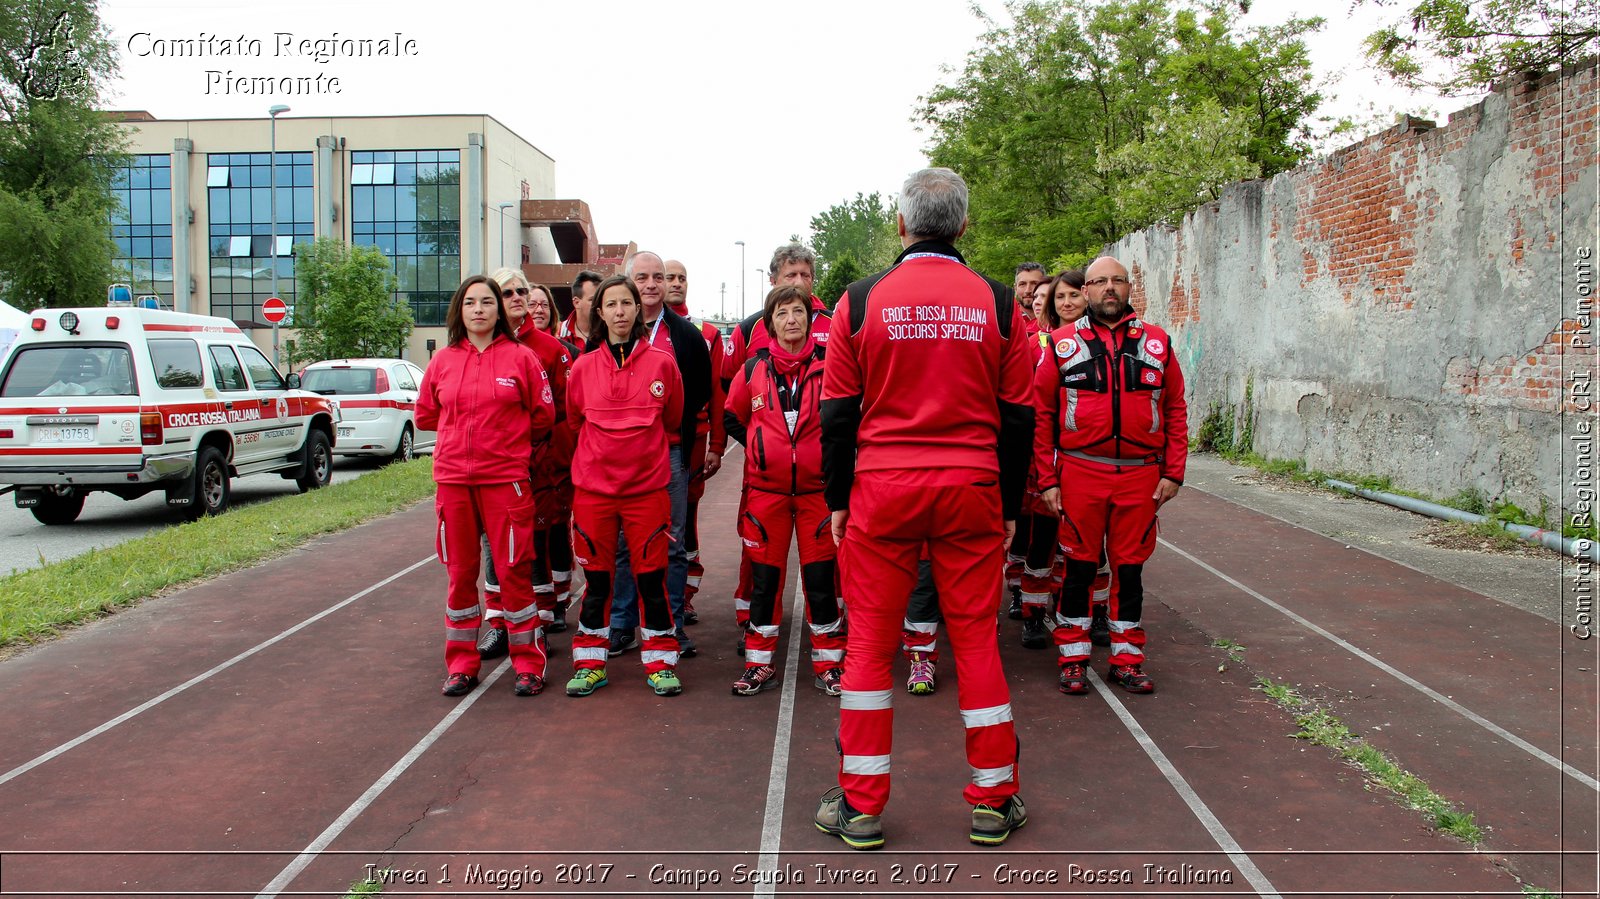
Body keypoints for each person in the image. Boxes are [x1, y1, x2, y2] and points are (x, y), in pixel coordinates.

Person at [816, 167, 1033, 850]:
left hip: (881, 490)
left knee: (870, 648)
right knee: (974, 639)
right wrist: (1008, 506)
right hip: (971, 488)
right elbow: (1020, 416)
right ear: (963, 226)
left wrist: (838, 500)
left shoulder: (857, 301)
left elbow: (838, 415)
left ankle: (861, 804)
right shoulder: (1001, 305)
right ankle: (993, 799)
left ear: (902, 225)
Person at [1034, 256, 1188, 695]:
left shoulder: (1158, 343)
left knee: (1130, 571)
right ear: (1086, 292)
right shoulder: (1061, 344)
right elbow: (1041, 416)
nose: (1108, 289)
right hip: (1081, 473)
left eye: (1116, 281)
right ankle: (1073, 657)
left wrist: (1174, 472)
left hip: (1141, 475)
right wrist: (1048, 479)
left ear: (1128, 288)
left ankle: (1126, 658)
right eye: (1099, 282)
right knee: (1080, 570)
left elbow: (1175, 408)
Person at [415, 275, 555, 698]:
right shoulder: (443, 361)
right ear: (460, 310)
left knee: (513, 573)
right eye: (470, 302)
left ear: (500, 310)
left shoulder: (521, 358)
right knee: (460, 575)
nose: (479, 309)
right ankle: (461, 665)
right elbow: (425, 415)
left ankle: (528, 664)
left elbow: (543, 415)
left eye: (487, 302)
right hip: (454, 482)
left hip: (505, 481)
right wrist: (462, 433)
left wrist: (502, 440)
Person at [565, 275, 686, 697]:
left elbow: (671, 420)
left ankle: (660, 661)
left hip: (646, 494)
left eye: (626, 304)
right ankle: (589, 662)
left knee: (651, 580)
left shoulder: (662, 364)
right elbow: (574, 422)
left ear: (638, 310)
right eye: (611, 304)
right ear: (599, 312)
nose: (619, 311)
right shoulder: (581, 368)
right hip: (594, 494)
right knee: (598, 583)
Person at [723, 285, 845, 696]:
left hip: (817, 494)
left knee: (821, 581)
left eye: (798, 312)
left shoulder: (832, 366)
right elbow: (732, 416)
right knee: (765, 582)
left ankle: (829, 664)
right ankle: (759, 664)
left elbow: (848, 420)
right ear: (769, 323)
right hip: (766, 495)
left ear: (809, 320)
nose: (791, 319)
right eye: (782, 313)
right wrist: (762, 451)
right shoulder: (753, 369)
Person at [606, 251, 712, 660]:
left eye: (657, 277)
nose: (651, 284)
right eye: (643, 277)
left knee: (671, 542)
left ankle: (671, 626)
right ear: (628, 283)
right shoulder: (610, 332)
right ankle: (621, 624)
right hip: (619, 455)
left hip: (669, 451)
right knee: (621, 542)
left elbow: (699, 391)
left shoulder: (685, 335)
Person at [664, 259, 728, 627]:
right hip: (646, 442)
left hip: (693, 440)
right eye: (668, 277)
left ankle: (684, 596)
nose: (675, 283)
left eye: (680, 278)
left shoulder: (705, 333)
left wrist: (718, 445)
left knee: (686, 519)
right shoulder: (637, 327)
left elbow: (718, 395)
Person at [1004, 259, 1050, 618]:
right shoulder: (1006, 322)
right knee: (1017, 517)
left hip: (1051, 447)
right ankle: (1018, 588)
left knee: (1048, 523)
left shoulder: (1056, 338)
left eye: (1037, 285)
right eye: (1024, 285)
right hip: (1014, 439)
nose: (1030, 292)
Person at [560, 270, 602, 346]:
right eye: (593, 300)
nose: (599, 304)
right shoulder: (558, 333)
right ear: (576, 303)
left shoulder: (612, 333)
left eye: (601, 299)